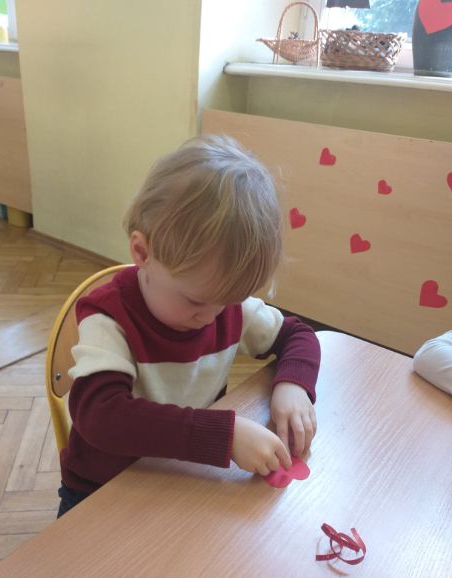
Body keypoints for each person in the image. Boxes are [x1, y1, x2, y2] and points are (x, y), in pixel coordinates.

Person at [57, 135, 321, 517]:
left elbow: (298, 335)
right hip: (103, 493)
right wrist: (225, 436)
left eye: (228, 299)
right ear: (142, 253)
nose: (212, 316)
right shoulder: (109, 318)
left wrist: (292, 386)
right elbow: (100, 417)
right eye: (196, 301)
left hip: (184, 478)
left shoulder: (224, 304)